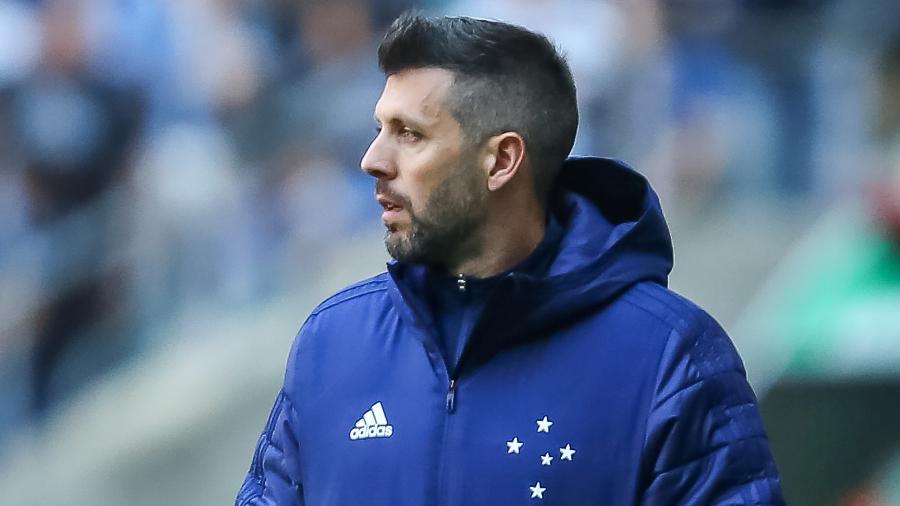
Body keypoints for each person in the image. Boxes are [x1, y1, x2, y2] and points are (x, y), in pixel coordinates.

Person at [236, 14, 784, 505]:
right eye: (380, 128)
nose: (373, 160)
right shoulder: (331, 344)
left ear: (501, 160)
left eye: (409, 134)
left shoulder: (672, 357)